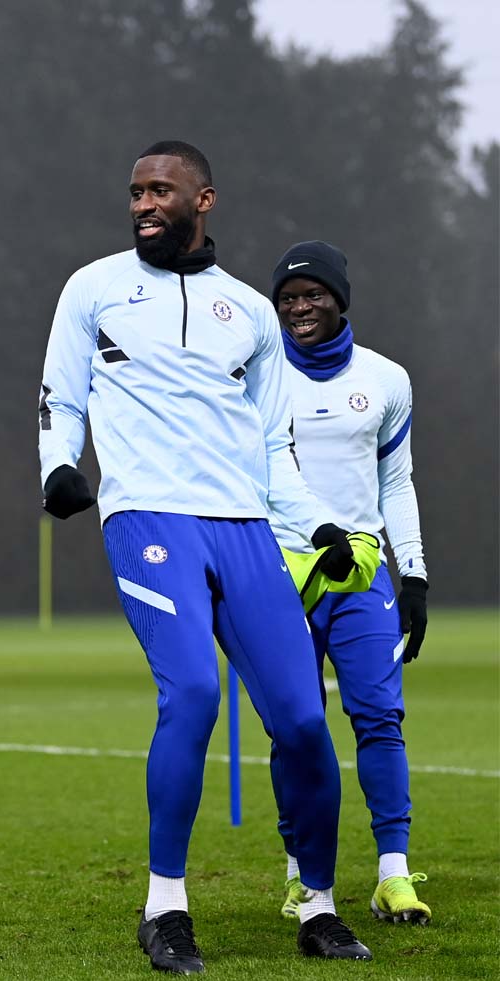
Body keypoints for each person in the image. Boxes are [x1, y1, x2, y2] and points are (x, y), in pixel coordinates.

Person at [38, 140, 373, 971]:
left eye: (160, 190)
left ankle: (319, 907)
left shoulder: (250, 315)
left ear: (204, 199)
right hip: (148, 517)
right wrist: (58, 466)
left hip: (246, 529)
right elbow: (60, 391)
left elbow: (272, 447)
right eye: (135, 192)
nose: (143, 203)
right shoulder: (94, 287)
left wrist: (320, 525)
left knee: (302, 722)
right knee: (190, 692)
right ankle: (165, 908)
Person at [268, 240, 431, 926]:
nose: (300, 307)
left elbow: (396, 483)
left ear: (339, 298)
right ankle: (301, 876)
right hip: (279, 574)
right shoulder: (256, 372)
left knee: (379, 718)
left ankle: (393, 875)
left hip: (362, 574)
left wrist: (414, 571)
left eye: (313, 294)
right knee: (297, 730)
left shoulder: (388, 379)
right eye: (288, 298)